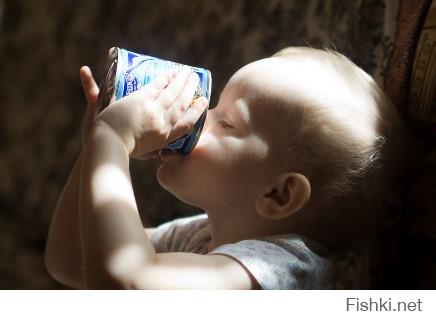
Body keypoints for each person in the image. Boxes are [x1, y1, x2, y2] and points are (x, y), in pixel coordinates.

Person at [45, 47, 409, 289]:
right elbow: (72, 260)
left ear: (278, 195)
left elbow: (124, 282)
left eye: (227, 122)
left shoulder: (283, 270)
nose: (200, 117)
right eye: (214, 106)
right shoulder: (200, 235)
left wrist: (113, 139)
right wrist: (95, 148)